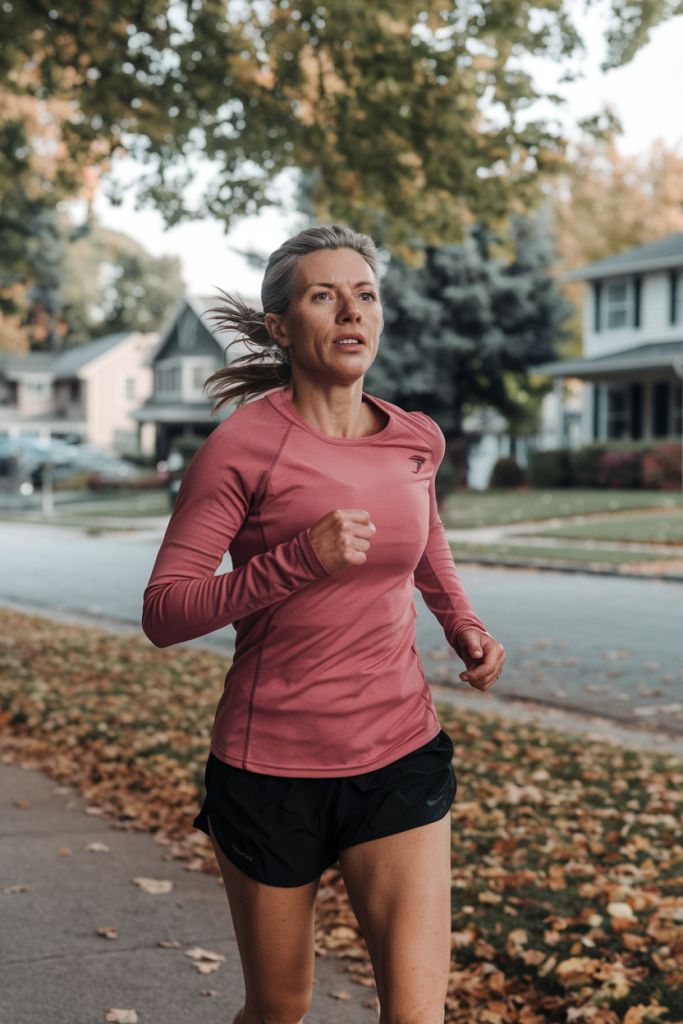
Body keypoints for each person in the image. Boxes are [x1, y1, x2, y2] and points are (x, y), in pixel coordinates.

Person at [143, 224, 505, 1024]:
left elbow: (423, 537)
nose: (351, 312)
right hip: (269, 765)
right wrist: (294, 561)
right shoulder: (240, 449)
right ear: (280, 327)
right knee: (279, 1006)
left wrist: (460, 621)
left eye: (365, 295)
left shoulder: (414, 438)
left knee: (416, 1016)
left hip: (397, 753)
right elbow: (164, 611)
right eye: (323, 295)